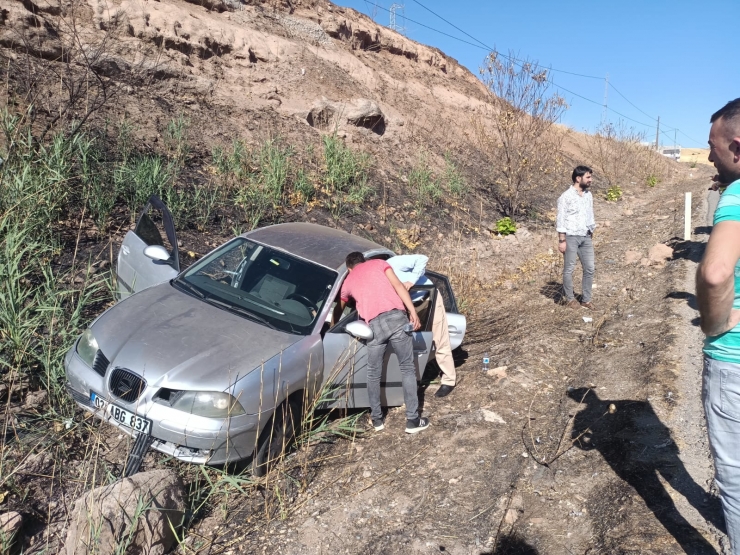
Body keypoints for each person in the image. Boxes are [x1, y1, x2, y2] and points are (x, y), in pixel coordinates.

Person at [696, 97, 740, 554]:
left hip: (734, 363)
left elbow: (715, 273)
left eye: (714, 146)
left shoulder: (736, 196)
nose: (709, 155)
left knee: (735, 478)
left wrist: (715, 322)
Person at [333, 252, 430, 434]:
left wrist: (332, 326)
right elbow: (399, 287)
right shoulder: (379, 264)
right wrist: (413, 313)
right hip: (396, 318)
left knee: (373, 373)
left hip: (374, 327)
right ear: (365, 261)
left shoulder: (347, 282)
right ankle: (412, 421)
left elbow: (339, 307)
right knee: (407, 368)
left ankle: (377, 419)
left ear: (349, 268)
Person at [386, 254, 456, 398]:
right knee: (411, 339)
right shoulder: (376, 280)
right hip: (406, 306)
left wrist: (411, 281)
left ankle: (449, 380)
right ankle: (413, 378)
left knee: (439, 338)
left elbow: (422, 258)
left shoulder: (393, 263)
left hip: (428, 297)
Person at [556, 166, 597, 309]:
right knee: (569, 269)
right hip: (571, 237)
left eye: (590, 177)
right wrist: (562, 240)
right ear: (578, 178)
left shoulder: (588, 195)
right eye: (588, 177)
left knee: (590, 268)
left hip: (585, 237)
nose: (591, 180)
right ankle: (570, 299)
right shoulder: (565, 197)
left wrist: (591, 230)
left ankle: (586, 299)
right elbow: (561, 220)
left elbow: (590, 213)